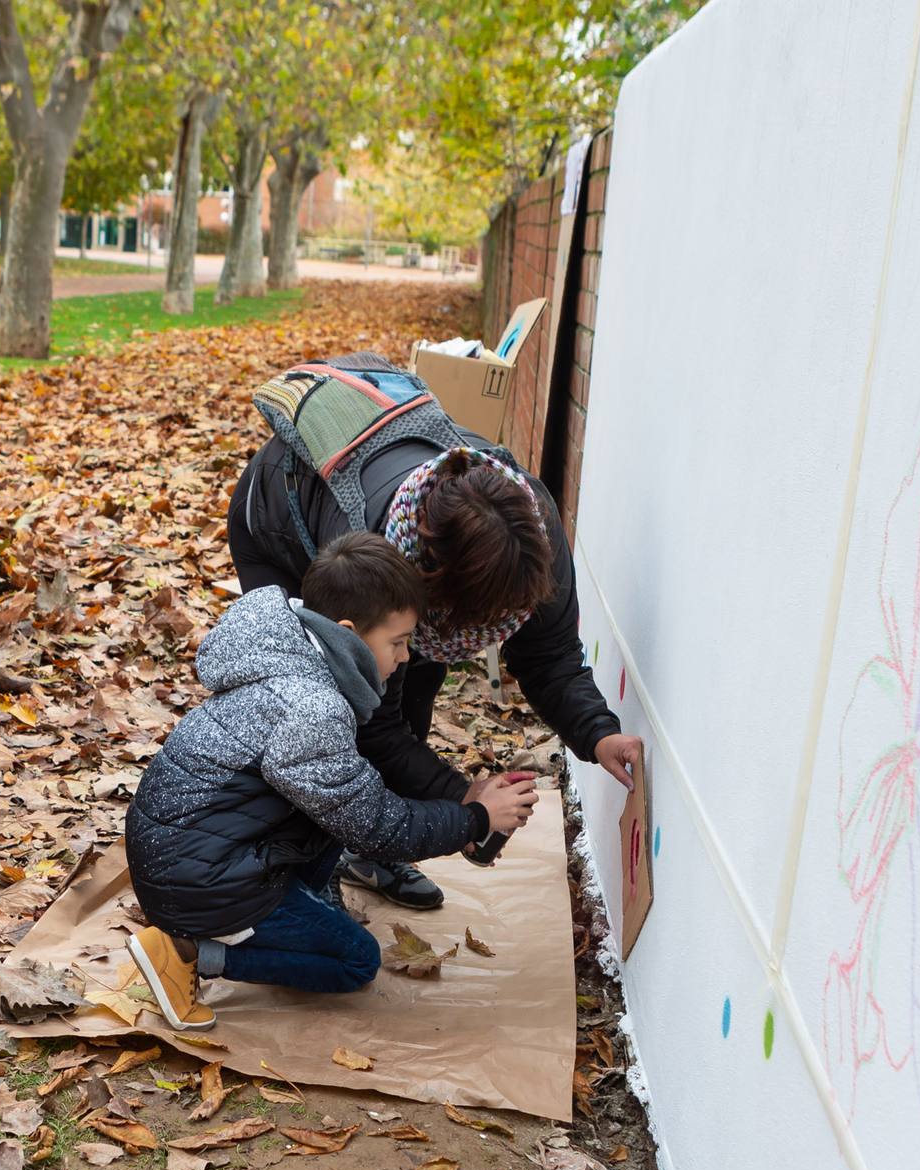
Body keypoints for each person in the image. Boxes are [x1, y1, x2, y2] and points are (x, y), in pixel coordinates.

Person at [228, 355, 646, 911]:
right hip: (278, 524)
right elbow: (372, 726)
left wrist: (599, 734)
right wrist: (463, 801)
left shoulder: (528, 528)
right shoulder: (375, 555)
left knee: (414, 691)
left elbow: (549, 656)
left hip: (399, 563)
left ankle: (372, 851)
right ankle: (305, 863)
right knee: (314, 712)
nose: (489, 637)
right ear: (433, 591)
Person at [122, 534, 541, 1030]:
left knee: (335, 808)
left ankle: (269, 921)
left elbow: (354, 799)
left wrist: (460, 805)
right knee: (355, 961)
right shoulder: (313, 708)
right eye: (398, 642)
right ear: (348, 633)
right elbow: (376, 828)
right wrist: (475, 818)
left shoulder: (286, 656)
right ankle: (190, 951)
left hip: (188, 851)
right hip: (199, 881)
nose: (405, 657)